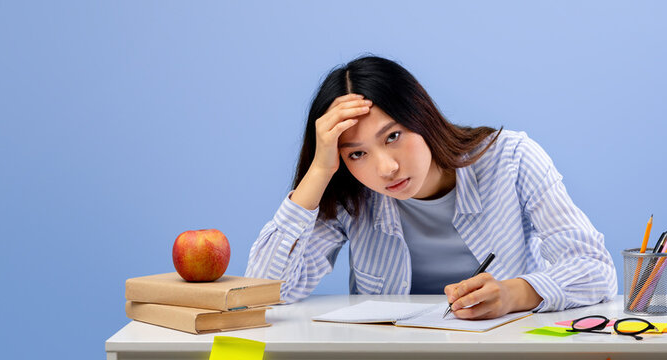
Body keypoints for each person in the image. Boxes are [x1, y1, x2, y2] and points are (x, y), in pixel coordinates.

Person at [245, 55, 616, 320]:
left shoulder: (512, 159)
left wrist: (513, 294)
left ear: (420, 116)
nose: (386, 168)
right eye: (357, 153)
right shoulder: (350, 194)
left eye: (393, 136)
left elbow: (595, 269)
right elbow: (262, 295)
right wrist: (320, 170)